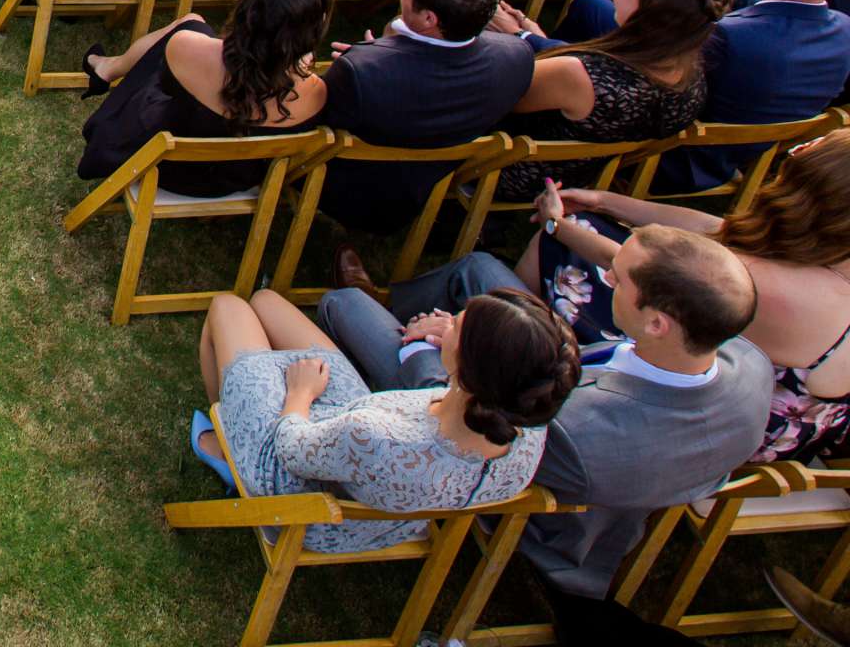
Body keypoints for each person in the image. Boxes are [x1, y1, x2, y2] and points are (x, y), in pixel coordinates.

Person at [321, 225, 764, 599]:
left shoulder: (579, 434)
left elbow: (463, 418)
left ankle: (392, 319)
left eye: (618, 279)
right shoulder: (750, 364)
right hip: (554, 369)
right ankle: (401, 305)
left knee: (345, 306)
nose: (605, 274)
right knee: (478, 268)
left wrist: (435, 345)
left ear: (657, 324)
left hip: (502, 463)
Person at [189, 285, 573, 552]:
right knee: (266, 301)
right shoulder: (527, 430)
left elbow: (291, 450)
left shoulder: (379, 439)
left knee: (228, 307)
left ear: (474, 371)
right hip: (385, 508)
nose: (446, 323)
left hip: (301, 495)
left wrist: (300, 394)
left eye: (455, 325)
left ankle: (228, 448)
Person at [524, 154, 850, 465]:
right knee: (592, 224)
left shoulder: (778, 289)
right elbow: (718, 234)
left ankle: (515, 332)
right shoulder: (833, 263)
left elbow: (637, 270)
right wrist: (605, 200)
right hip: (798, 430)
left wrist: (556, 225)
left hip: (718, 434)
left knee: (569, 244)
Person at [316, 0, 537, 230]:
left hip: (347, 192)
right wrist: (380, 55)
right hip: (425, 186)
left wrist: (370, 60)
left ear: (429, 18)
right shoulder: (517, 58)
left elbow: (321, 122)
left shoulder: (360, 73)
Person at [492, 0, 730, 196]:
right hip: (579, 173)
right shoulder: (692, 80)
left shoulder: (582, 75)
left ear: (650, 9)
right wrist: (530, 36)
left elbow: (502, 99)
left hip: (512, 170)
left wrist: (513, 36)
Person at [79, 0, 331, 194]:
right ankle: (106, 67)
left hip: (157, 166)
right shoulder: (317, 93)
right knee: (192, 29)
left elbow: (163, 85)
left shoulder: (188, 49)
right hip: (226, 183)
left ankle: (105, 69)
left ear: (248, 10)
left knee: (189, 26)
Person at [648, 0, 850, 194]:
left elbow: (658, 90)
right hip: (743, 154)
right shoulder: (845, 30)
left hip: (668, 158)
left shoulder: (729, 36)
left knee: (593, 8)